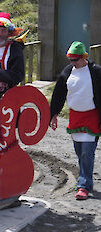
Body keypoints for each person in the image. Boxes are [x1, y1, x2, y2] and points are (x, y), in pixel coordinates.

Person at [50, 41, 101, 200]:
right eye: (70, 59)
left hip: (92, 116)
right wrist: (53, 114)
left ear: (84, 57)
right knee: (80, 152)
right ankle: (87, 181)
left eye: (75, 59)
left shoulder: (96, 72)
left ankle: (83, 186)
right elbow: (58, 94)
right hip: (75, 116)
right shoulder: (67, 71)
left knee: (87, 152)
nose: (72, 62)